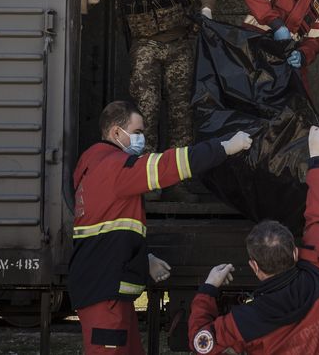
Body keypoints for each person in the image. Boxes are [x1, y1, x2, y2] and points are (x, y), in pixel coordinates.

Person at [69, 100, 252, 354]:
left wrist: (144, 260)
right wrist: (222, 148)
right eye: (137, 132)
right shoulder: (114, 167)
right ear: (115, 133)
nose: (142, 138)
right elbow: (168, 166)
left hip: (108, 291)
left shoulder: (93, 165)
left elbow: (109, 234)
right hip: (105, 296)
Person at [187, 126, 319, 355]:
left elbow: (201, 343)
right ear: (295, 253)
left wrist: (208, 290)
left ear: (254, 267)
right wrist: (317, 156)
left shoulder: (243, 322)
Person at [87, 0, 218, 201]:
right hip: (144, 44)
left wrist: (206, 9)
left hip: (179, 43)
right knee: (145, 111)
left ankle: (178, 182)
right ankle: (148, 182)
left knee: (182, 113)